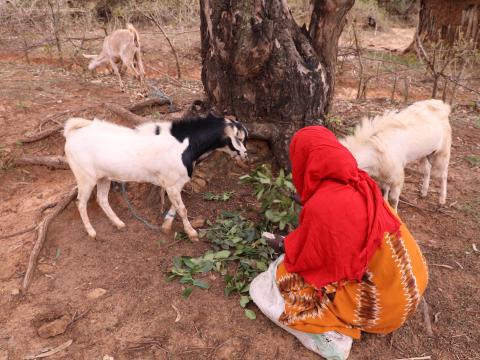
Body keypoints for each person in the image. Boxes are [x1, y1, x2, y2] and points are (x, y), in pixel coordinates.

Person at [250, 126, 428, 360]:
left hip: (385, 310)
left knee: (267, 284)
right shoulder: (361, 181)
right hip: (411, 282)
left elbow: (312, 262)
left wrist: (289, 246)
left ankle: (331, 339)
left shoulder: (324, 206)